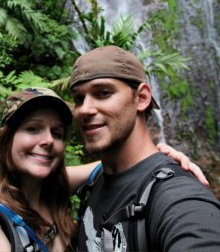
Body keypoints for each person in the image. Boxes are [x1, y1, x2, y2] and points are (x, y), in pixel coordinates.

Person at [0, 87, 209, 252]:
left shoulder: (55, 191)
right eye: (32, 129)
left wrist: (160, 155)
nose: (47, 141)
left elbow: (121, 164)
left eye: (57, 133)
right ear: (6, 139)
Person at [70, 45, 220, 251]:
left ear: (141, 98)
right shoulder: (98, 178)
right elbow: (22, 181)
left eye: (103, 93)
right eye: (79, 98)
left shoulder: (178, 195)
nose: (85, 109)